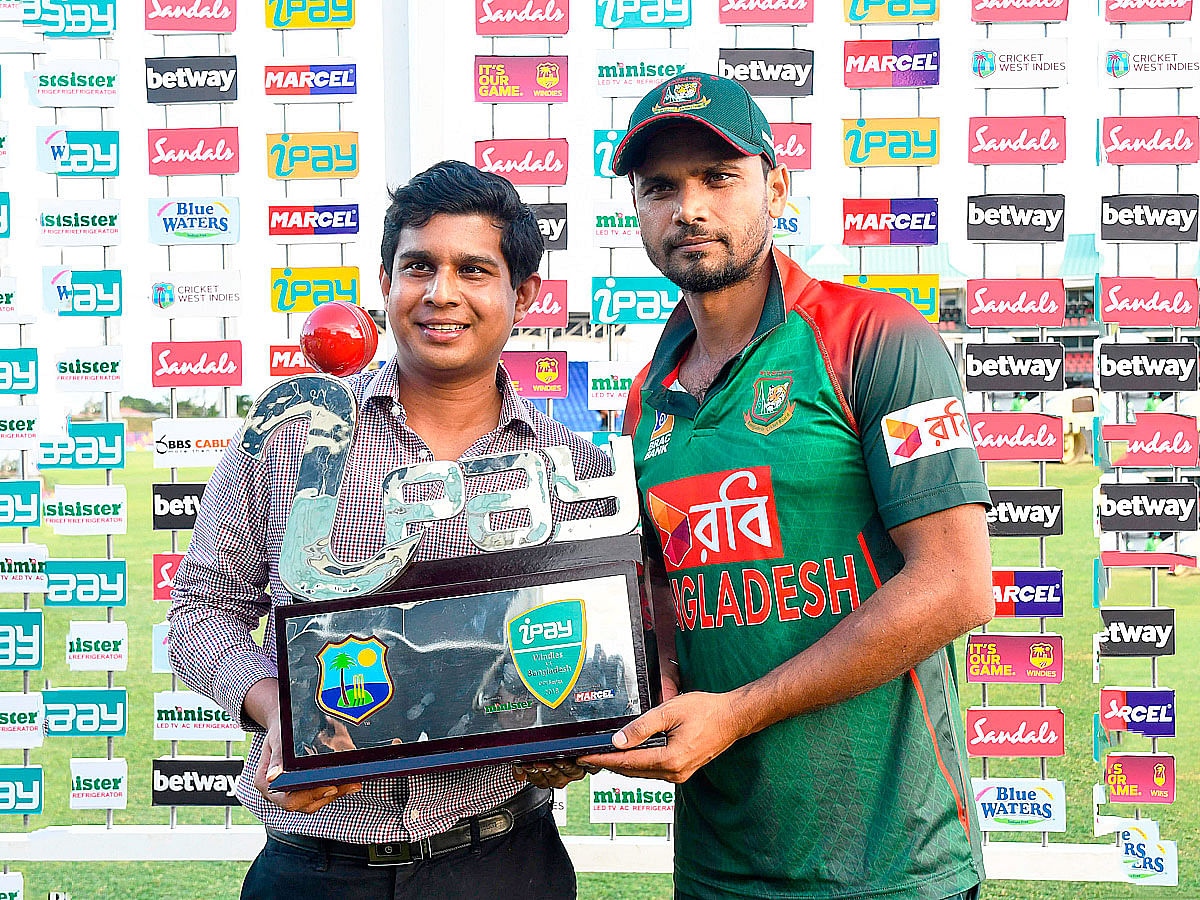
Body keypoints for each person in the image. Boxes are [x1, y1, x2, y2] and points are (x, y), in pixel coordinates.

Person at [582, 73, 994, 900]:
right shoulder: (644, 397)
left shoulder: (880, 338)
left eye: (718, 176)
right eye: (660, 187)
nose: (688, 207)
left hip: (889, 868)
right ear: (637, 209)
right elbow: (666, 596)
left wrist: (736, 711)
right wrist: (643, 684)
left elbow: (956, 585)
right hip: (718, 866)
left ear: (775, 184)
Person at [168, 160, 604, 900]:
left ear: (522, 293)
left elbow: (596, 657)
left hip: (502, 859)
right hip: (314, 865)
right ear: (383, 283)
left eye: (474, 269)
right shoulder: (292, 439)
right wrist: (280, 710)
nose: (441, 294)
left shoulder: (573, 473)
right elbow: (198, 613)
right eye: (418, 267)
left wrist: (576, 738)